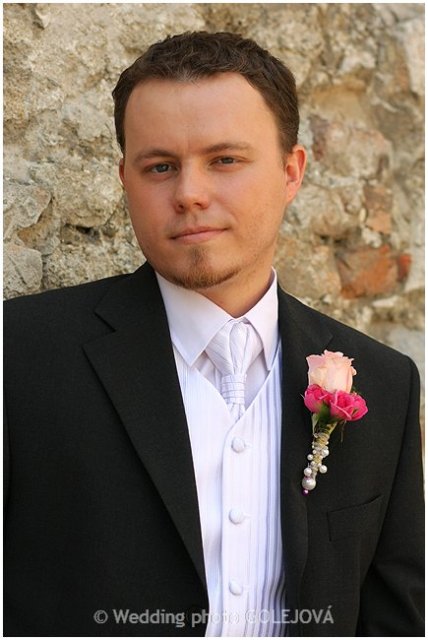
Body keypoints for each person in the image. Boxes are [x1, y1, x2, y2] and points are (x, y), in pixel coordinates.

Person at [4, 31, 424, 637]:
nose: (189, 194)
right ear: (125, 179)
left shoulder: (383, 383)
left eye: (224, 160)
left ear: (291, 171)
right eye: (160, 167)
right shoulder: (18, 357)